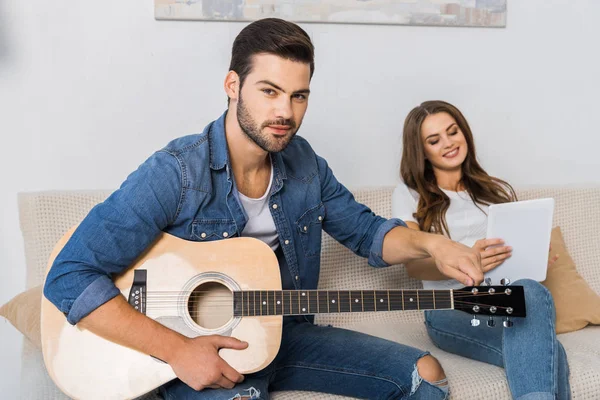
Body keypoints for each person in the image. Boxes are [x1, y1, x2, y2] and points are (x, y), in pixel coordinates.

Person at [44, 20, 484, 400]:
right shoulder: (176, 172)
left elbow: (369, 233)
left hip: (283, 333)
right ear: (232, 86)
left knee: (425, 375)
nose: (285, 112)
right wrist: (177, 350)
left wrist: (432, 243)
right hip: (192, 345)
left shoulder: (305, 165)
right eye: (270, 91)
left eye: (299, 96)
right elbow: (69, 275)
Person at [392, 100, 571, 400]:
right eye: (435, 140)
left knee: (531, 294)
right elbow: (412, 264)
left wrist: (533, 254)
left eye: (453, 132)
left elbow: (510, 263)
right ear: (421, 151)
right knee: (551, 352)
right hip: (449, 305)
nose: (449, 143)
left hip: (503, 300)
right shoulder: (409, 194)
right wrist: (465, 258)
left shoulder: (494, 192)